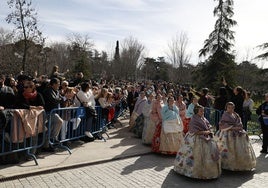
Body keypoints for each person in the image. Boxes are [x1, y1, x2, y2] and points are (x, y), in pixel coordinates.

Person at [174, 104, 221, 179]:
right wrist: (204, 132)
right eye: (201, 111)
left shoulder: (203, 118)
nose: (203, 112)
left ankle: (207, 171)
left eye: (203, 111)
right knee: (194, 154)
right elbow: (194, 131)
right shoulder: (193, 119)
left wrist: (209, 130)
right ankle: (192, 171)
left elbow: (208, 125)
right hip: (196, 138)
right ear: (196, 111)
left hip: (206, 137)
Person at [215, 102, 256, 171]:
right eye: (229, 108)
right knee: (228, 147)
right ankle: (226, 164)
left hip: (237, 131)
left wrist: (237, 127)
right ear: (226, 108)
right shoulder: (225, 115)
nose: (230, 109)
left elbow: (239, 123)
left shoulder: (236, 114)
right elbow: (222, 124)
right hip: (227, 133)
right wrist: (232, 128)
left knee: (239, 147)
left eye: (232, 108)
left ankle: (239, 164)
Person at [43, 78, 64, 151]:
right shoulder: (48, 91)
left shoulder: (56, 91)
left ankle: (49, 143)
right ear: (54, 84)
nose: (59, 85)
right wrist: (61, 99)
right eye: (58, 83)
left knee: (51, 128)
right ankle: (50, 141)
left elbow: (61, 99)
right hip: (49, 112)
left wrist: (62, 99)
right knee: (58, 122)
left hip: (53, 112)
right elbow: (54, 100)